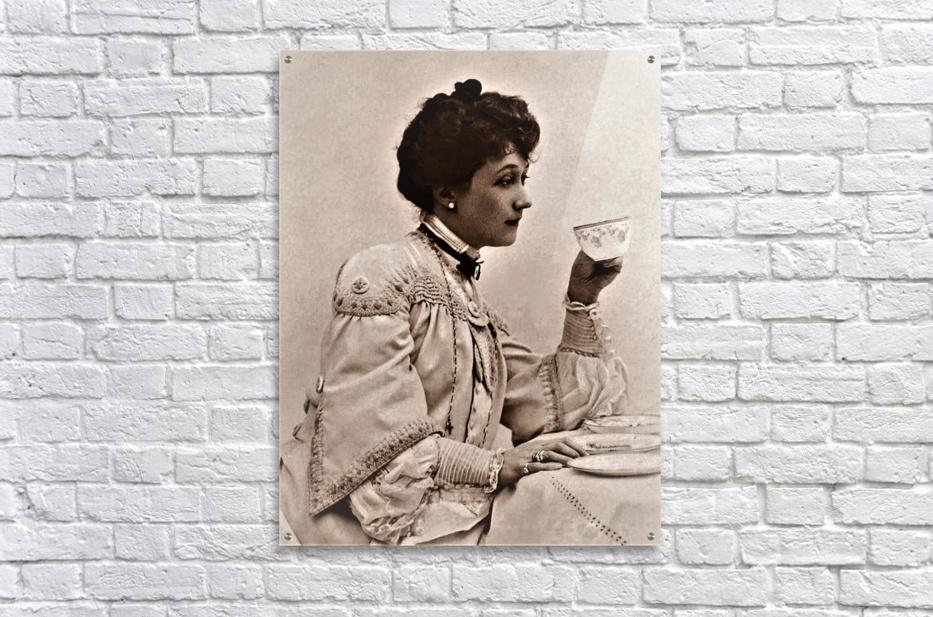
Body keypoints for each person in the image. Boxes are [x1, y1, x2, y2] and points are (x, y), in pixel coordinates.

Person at [280, 78, 628, 545]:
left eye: (523, 179)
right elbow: (374, 440)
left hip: (444, 511)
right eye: (505, 180)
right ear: (448, 192)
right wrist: (496, 465)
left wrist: (581, 298)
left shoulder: (465, 297)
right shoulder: (381, 275)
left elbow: (548, 408)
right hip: (347, 522)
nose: (523, 198)